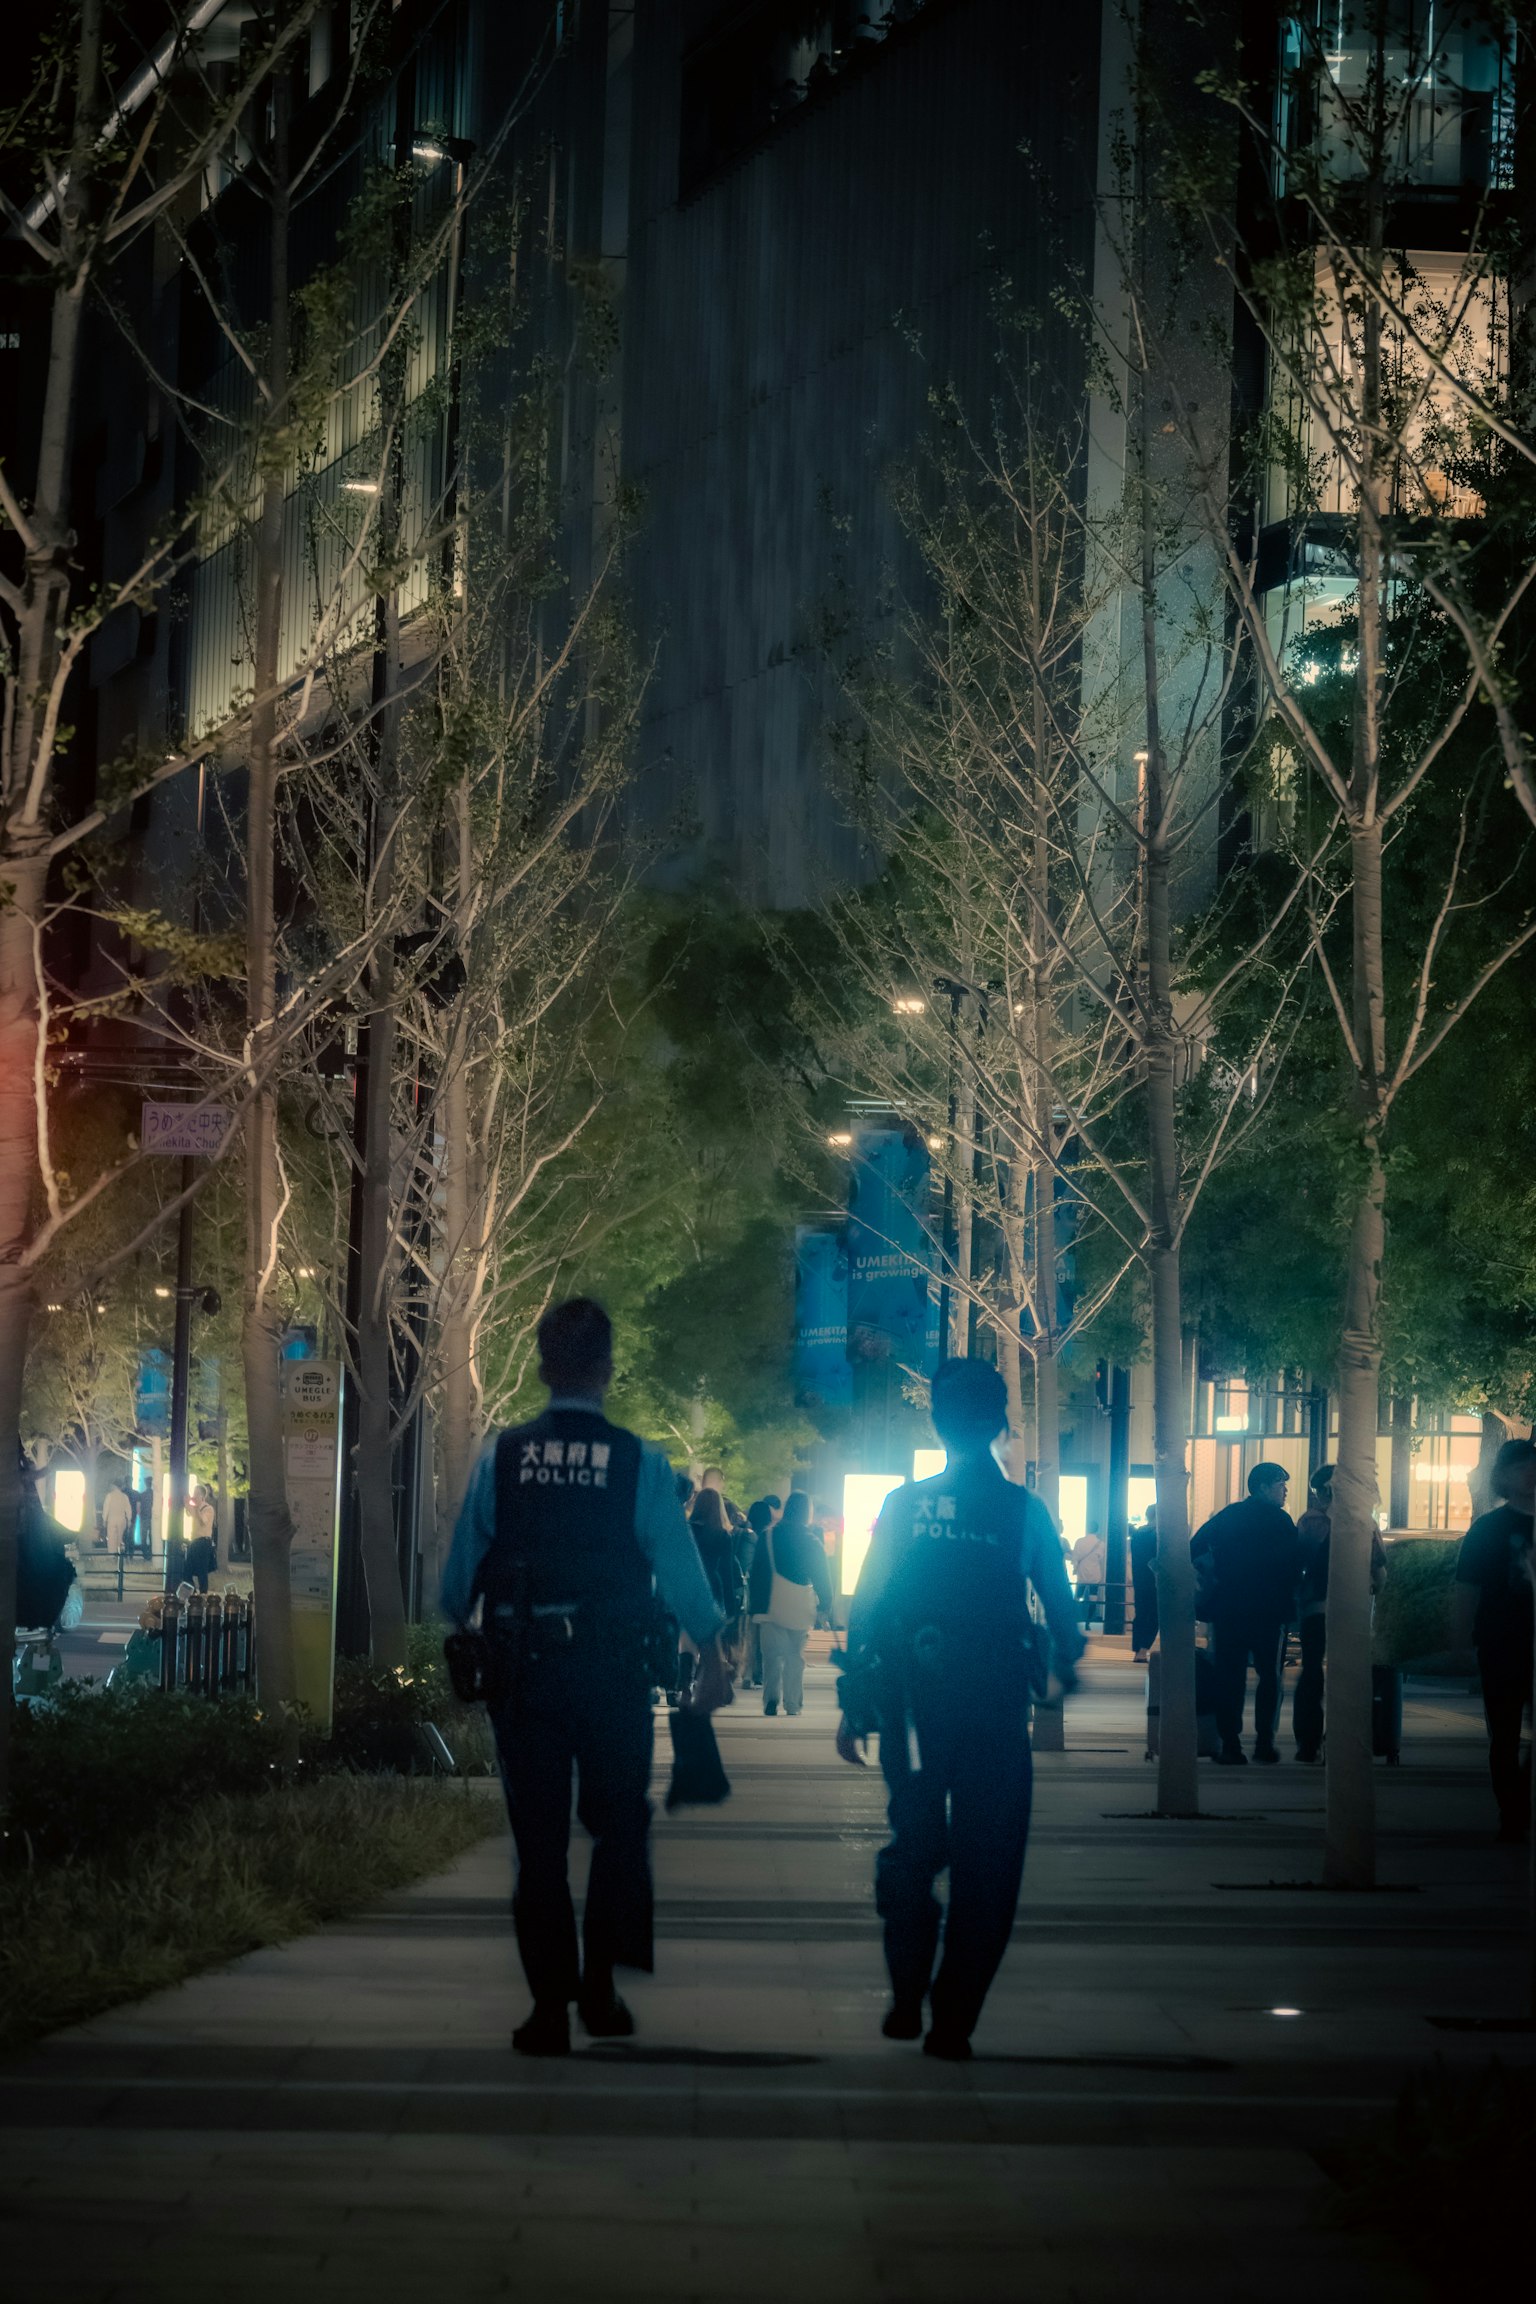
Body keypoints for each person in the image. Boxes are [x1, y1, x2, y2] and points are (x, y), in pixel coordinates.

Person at [443, 1298, 733, 2056]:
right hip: (611, 1675)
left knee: (536, 1844)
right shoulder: (640, 1464)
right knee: (618, 1830)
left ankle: (547, 2009)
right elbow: (680, 1573)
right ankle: (599, 1992)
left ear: (543, 1367)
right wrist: (713, 1656)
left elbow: (453, 1588)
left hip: (525, 1676)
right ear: (608, 1369)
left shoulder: (501, 1458)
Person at [837, 1358, 1083, 2060]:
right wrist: (1063, 1668)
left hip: (913, 1707)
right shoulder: (1023, 1512)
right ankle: (953, 2019)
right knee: (990, 1863)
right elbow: (1064, 1618)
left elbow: (868, 1606)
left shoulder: (904, 1506)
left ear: (937, 1423)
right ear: (1003, 1425)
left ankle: (907, 1991)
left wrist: (857, 1703)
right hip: (995, 1710)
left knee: (912, 1844)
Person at [1191, 1462, 1301, 1766]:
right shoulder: (1281, 1522)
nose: (1285, 1490)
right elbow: (1294, 1566)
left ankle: (1231, 1744)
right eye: (1280, 1484)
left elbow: (1194, 1546)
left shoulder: (1230, 1516)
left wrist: (1215, 1572)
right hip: (1269, 1611)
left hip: (1229, 1609)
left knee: (1230, 1677)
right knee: (1270, 1677)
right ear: (1264, 1487)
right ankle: (1265, 1742)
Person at [1455, 1437, 1535, 1842]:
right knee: (1503, 1734)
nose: (1530, 1471)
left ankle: (1521, 1800)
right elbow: (1467, 1586)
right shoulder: (1489, 1529)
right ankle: (1512, 1809)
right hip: (1502, 1642)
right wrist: (1459, 1639)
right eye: (1522, 1465)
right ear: (1502, 1477)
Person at [1291, 1463, 1387, 1765]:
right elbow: (1381, 1573)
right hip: (1353, 1611)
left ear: (1320, 1493)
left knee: (1311, 1673)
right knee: (1348, 1675)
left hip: (1315, 1609)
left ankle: (1307, 1745)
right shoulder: (1364, 1523)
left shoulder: (1309, 1522)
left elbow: (1299, 1564)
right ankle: (1342, 1740)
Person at [749, 1489, 831, 1717]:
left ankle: (771, 1699)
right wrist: (825, 1606)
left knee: (772, 1656)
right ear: (807, 1513)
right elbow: (823, 1576)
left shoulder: (767, 1537)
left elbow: (757, 1574)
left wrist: (754, 1607)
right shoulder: (812, 1541)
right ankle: (793, 1703)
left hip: (770, 1604)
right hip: (800, 1606)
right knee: (796, 1656)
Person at [1130, 1505, 1159, 1662]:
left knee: (1140, 1613)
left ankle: (1137, 1651)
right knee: (1155, 1615)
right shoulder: (1159, 1535)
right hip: (1156, 1580)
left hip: (1140, 1579)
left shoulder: (1138, 1534)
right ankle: (1143, 1649)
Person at [1069, 1525, 1107, 1628]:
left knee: (1078, 1596)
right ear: (1097, 1530)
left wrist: (1075, 1567)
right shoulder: (1101, 1544)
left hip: (1082, 1573)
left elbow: (1075, 1557)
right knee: (1093, 1598)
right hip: (1095, 1573)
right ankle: (1088, 1622)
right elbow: (1100, 1558)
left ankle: (1073, 1619)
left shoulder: (1079, 1541)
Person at [102, 1479, 133, 1563]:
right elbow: (128, 1509)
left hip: (112, 1519)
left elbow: (106, 1508)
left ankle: (112, 1556)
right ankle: (120, 1554)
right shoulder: (124, 1496)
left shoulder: (109, 1496)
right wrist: (129, 1520)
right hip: (122, 1519)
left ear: (114, 1486)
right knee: (120, 1537)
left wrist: (104, 1519)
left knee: (111, 1537)